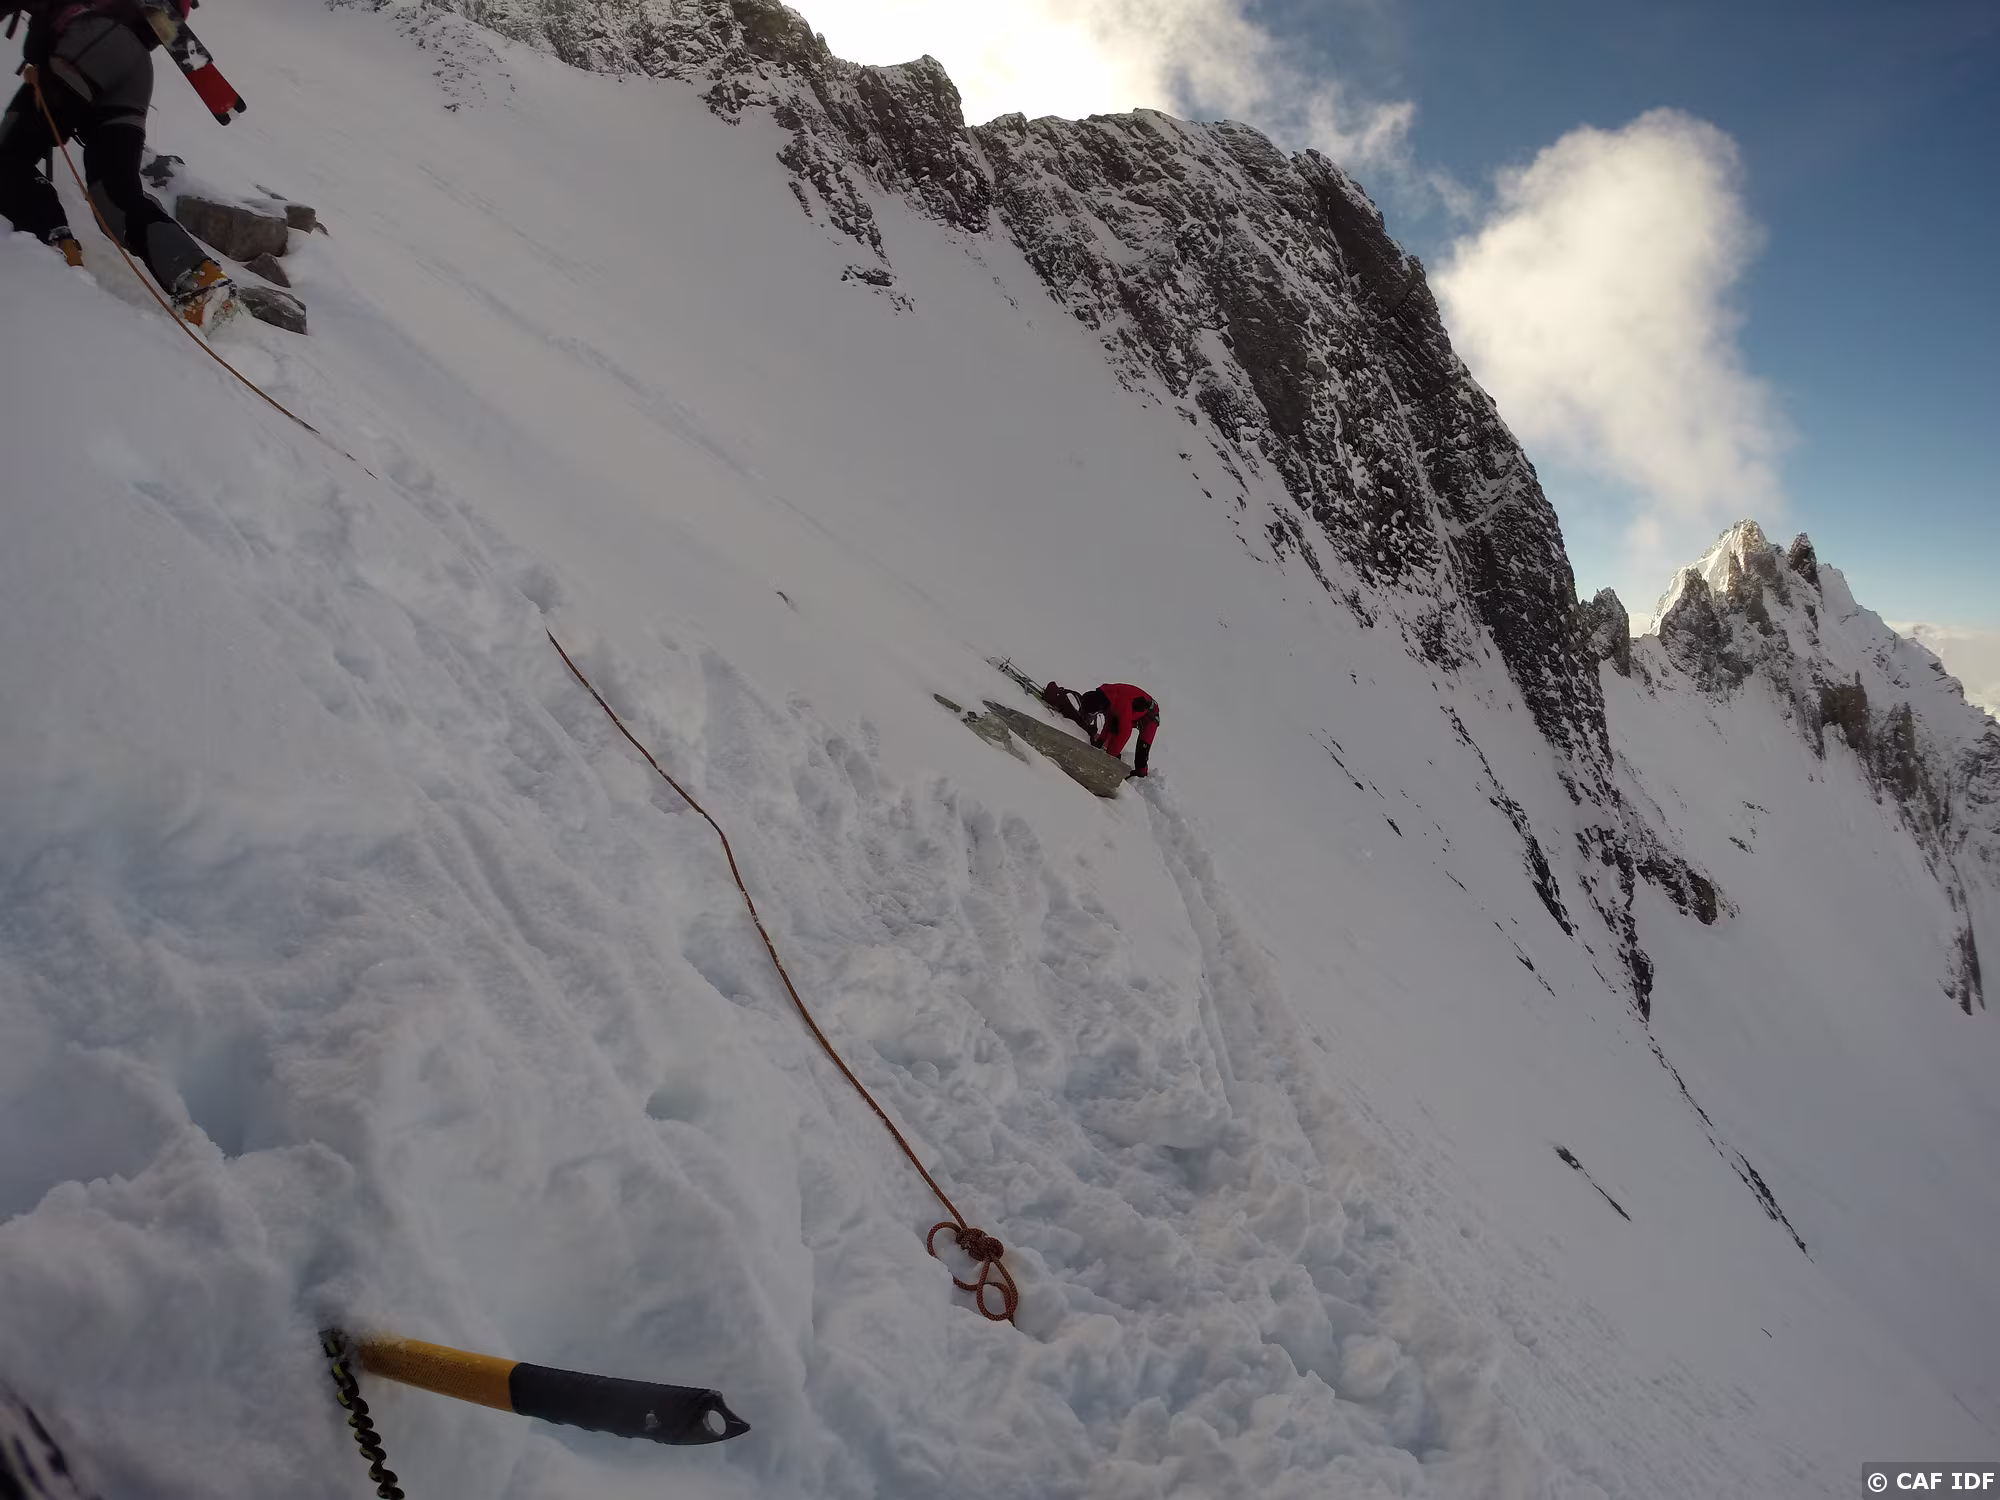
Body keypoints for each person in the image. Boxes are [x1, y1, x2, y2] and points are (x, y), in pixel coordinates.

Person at [1, 0, 234, 323]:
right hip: (135, 72)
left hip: (90, 43)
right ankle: (198, 278)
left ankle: (51, 245)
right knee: (116, 195)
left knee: (9, 157)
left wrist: (43, 62)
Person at [1042, 680, 1160, 777]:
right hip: (1131, 705)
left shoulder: (1120, 703)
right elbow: (1109, 725)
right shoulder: (1108, 698)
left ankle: (1141, 774)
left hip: (1150, 716)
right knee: (1115, 726)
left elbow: (1124, 733)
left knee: (1142, 749)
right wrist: (1100, 742)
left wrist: (1110, 758)